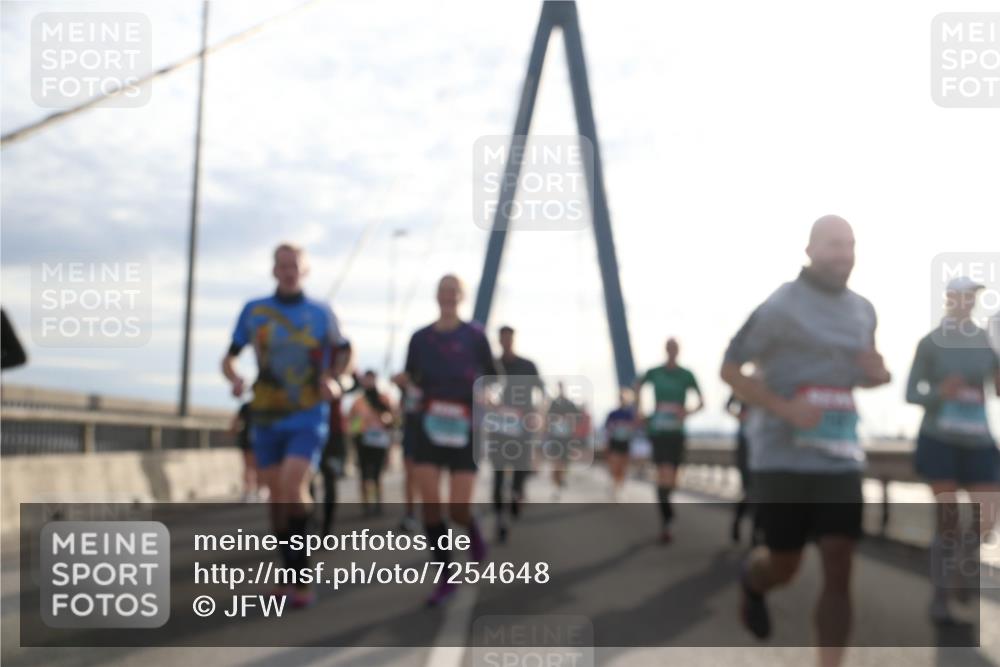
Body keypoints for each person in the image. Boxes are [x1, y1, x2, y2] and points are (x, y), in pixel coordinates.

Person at [720, 215, 891, 667]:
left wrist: (879, 374)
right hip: (781, 458)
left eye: (850, 244)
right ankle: (753, 583)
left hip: (839, 456)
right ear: (810, 250)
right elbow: (730, 368)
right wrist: (785, 409)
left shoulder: (863, 309)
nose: (844, 253)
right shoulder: (780, 305)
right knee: (784, 565)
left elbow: (865, 372)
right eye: (834, 244)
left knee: (840, 561)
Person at [221, 243, 350, 609]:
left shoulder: (323, 311)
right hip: (266, 414)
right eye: (282, 265)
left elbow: (345, 350)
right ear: (273, 270)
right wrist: (234, 377)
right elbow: (230, 356)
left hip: (308, 413)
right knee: (276, 497)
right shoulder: (254, 311)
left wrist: (335, 378)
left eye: (295, 265)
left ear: (305, 270)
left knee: (293, 485)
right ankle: (287, 567)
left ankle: (302, 572)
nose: (289, 270)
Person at [393, 274, 498, 606]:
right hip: (428, 426)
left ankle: (472, 527)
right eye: (444, 291)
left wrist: (485, 395)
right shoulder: (420, 338)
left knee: (458, 508)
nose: (449, 296)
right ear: (436, 296)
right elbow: (411, 378)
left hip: (465, 428)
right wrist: (402, 382)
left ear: (462, 297)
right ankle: (445, 577)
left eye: (455, 291)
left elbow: (493, 377)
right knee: (431, 506)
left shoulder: (476, 336)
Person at [906, 275, 1000, 624]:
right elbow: (911, 393)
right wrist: (939, 393)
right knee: (947, 523)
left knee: (986, 519)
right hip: (939, 439)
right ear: (949, 299)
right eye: (963, 296)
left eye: (974, 296)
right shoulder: (930, 344)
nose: (969, 302)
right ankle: (940, 598)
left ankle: (965, 568)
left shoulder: (987, 342)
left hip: (979, 441)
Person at [635, 337, 704, 543]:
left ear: (679, 350)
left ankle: (668, 512)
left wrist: (687, 412)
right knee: (663, 474)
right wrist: (640, 410)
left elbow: (702, 402)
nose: (672, 350)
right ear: (665, 349)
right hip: (658, 432)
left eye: (675, 347)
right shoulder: (654, 372)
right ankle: (667, 521)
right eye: (669, 347)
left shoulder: (687, 374)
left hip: (677, 433)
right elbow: (637, 386)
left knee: (672, 479)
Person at [490, 325, 545, 543]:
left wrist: (538, 417)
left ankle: (516, 495)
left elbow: (542, 393)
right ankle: (499, 518)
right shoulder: (492, 366)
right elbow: (481, 390)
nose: (505, 341)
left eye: (508, 338)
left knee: (520, 470)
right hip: (499, 427)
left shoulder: (528, 365)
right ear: (499, 340)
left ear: (513, 339)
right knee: (498, 472)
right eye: (502, 338)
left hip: (523, 427)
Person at [348, 370, 397, 516]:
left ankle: (378, 503)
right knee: (364, 474)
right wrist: (356, 434)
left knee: (377, 474)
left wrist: (386, 419)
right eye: (366, 379)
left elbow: (394, 420)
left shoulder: (384, 399)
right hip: (363, 441)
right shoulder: (358, 401)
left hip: (380, 441)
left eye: (371, 379)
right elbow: (353, 422)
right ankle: (366, 504)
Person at [318, 345, 353, 536]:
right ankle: (309, 523)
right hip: (308, 429)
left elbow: (353, 382)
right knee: (305, 481)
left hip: (334, 433)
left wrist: (338, 382)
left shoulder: (342, 363)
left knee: (330, 479)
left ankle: (326, 529)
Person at [727, 394, 758, 544]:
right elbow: (727, 406)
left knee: (760, 492)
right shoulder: (743, 382)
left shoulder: (775, 381)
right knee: (749, 490)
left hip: (764, 446)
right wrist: (739, 415)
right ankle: (738, 522)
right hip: (745, 445)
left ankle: (755, 534)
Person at [545, 382, 580, 500]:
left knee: (564, 463)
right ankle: (556, 487)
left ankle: (560, 480)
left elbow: (578, 418)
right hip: (555, 438)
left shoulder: (570, 404)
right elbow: (548, 419)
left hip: (567, 439)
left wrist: (570, 422)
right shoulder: (553, 403)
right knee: (556, 463)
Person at [604, 388, 638, 501]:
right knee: (615, 466)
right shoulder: (612, 414)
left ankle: (619, 487)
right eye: (621, 398)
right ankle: (615, 487)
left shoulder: (630, 414)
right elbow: (607, 430)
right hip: (615, 443)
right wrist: (607, 444)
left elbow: (635, 428)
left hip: (626, 443)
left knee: (623, 467)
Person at [230, 402, 258, 502]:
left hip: (248, 439)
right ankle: (252, 491)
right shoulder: (265, 405)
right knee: (254, 467)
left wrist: (233, 430)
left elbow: (235, 422)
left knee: (249, 467)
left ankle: (249, 491)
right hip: (254, 440)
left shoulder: (246, 406)